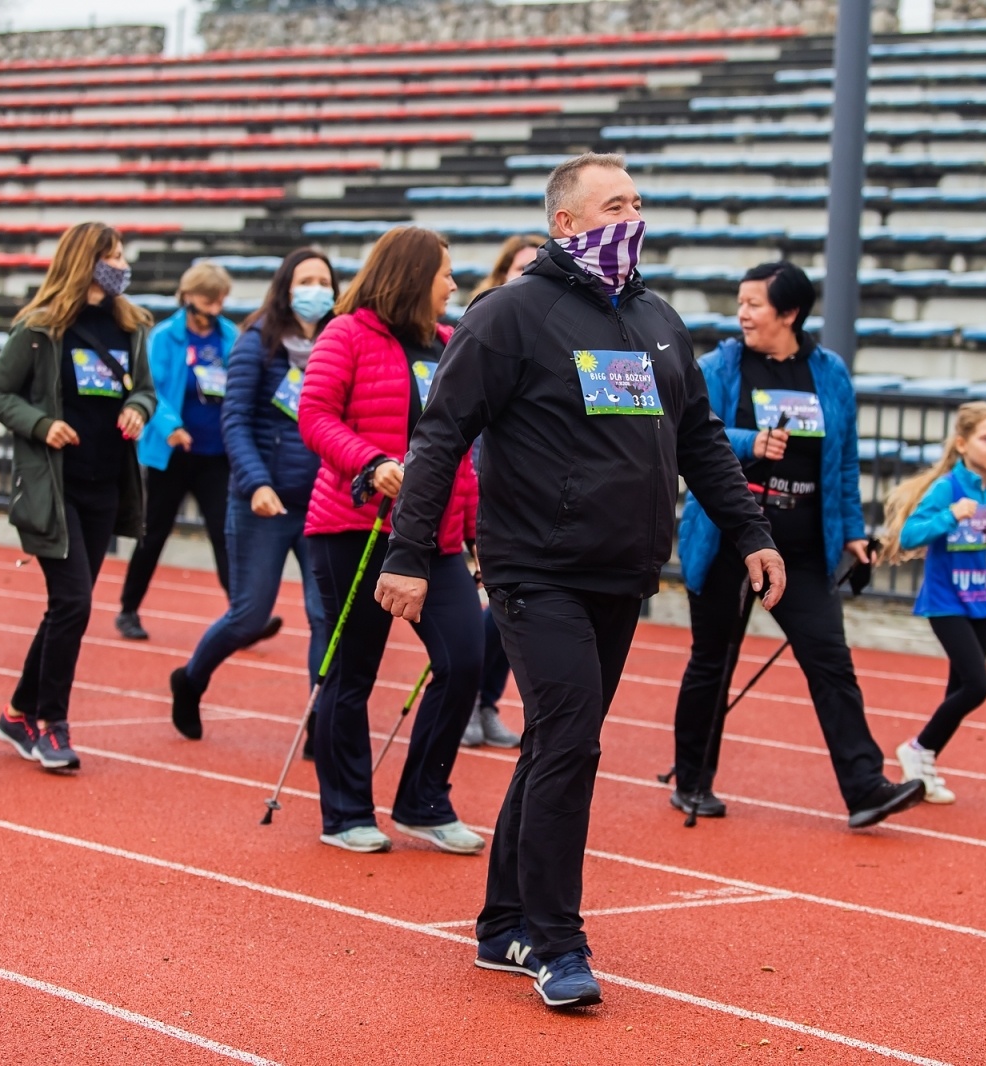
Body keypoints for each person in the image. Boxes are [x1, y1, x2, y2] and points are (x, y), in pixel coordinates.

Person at [375, 153, 785, 1009]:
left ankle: (500, 924)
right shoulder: (511, 315)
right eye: (614, 203)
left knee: (556, 743)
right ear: (568, 223)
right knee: (573, 741)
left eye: (637, 200)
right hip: (534, 568)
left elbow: (700, 439)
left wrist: (750, 530)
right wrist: (410, 554)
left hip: (621, 570)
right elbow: (441, 437)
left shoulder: (656, 316)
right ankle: (557, 941)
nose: (633, 214)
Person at [671, 261, 926, 828]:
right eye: (740, 302)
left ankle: (864, 786)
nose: (742, 313)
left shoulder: (829, 372)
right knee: (712, 664)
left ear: (789, 313)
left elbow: (845, 460)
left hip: (804, 547)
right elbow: (692, 435)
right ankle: (691, 780)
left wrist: (854, 532)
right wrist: (750, 441)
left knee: (832, 663)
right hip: (729, 540)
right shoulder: (718, 367)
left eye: (754, 304)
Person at [298, 225, 484, 856]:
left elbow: (461, 450)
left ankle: (422, 799)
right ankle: (345, 810)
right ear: (411, 277)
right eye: (444, 275)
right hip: (354, 527)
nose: (454, 286)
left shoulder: (448, 345)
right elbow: (315, 415)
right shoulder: (346, 333)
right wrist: (370, 462)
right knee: (352, 676)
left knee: (465, 660)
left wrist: (473, 529)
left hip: (436, 536)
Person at [0, 222, 156, 772]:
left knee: (66, 607)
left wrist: (139, 410)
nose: (121, 265)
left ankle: (15, 713)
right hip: (56, 491)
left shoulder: (130, 326)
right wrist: (40, 424)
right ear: (85, 262)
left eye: (122, 256)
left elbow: (145, 390)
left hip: (107, 488)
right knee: (74, 603)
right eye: (112, 256)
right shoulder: (40, 328)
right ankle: (51, 723)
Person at [169, 249, 337, 741]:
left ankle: (318, 722)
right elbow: (235, 420)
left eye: (323, 281)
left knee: (324, 614)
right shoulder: (256, 342)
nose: (315, 289)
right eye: (305, 279)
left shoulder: (339, 339)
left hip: (321, 502)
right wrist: (256, 482)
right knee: (249, 615)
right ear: (286, 287)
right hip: (263, 501)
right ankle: (191, 679)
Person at [880, 401, 986, 804]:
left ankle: (924, 765)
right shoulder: (949, 487)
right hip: (946, 600)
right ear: (963, 444)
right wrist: (950, 515)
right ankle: (917, 749)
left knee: (959, 687)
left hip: (981, 598)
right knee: (977, 686)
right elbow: (909, 536)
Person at [115, 262, 239, 641]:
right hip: (172, 455)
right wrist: (171, 427)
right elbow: (151, 388)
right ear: (187, 297)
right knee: (154, 533)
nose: (214, 307)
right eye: (207, 299)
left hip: (216, 455)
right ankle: (128, 609)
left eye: (220, 300)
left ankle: (241, 614)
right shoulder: (166, 336)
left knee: (224, 533)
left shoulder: (230, 335)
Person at [460, 236, 545, 750]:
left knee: (507, 613)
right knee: (478, 612)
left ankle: (486, 701)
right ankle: (465, 702)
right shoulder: (484, 324)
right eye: (520, 267)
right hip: (476, 488)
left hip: (525, 499)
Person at [470, 234, 544, 298]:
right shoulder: (485, 310)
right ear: (504, 274)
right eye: (522, 268)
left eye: (538, 267)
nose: (530, 273)